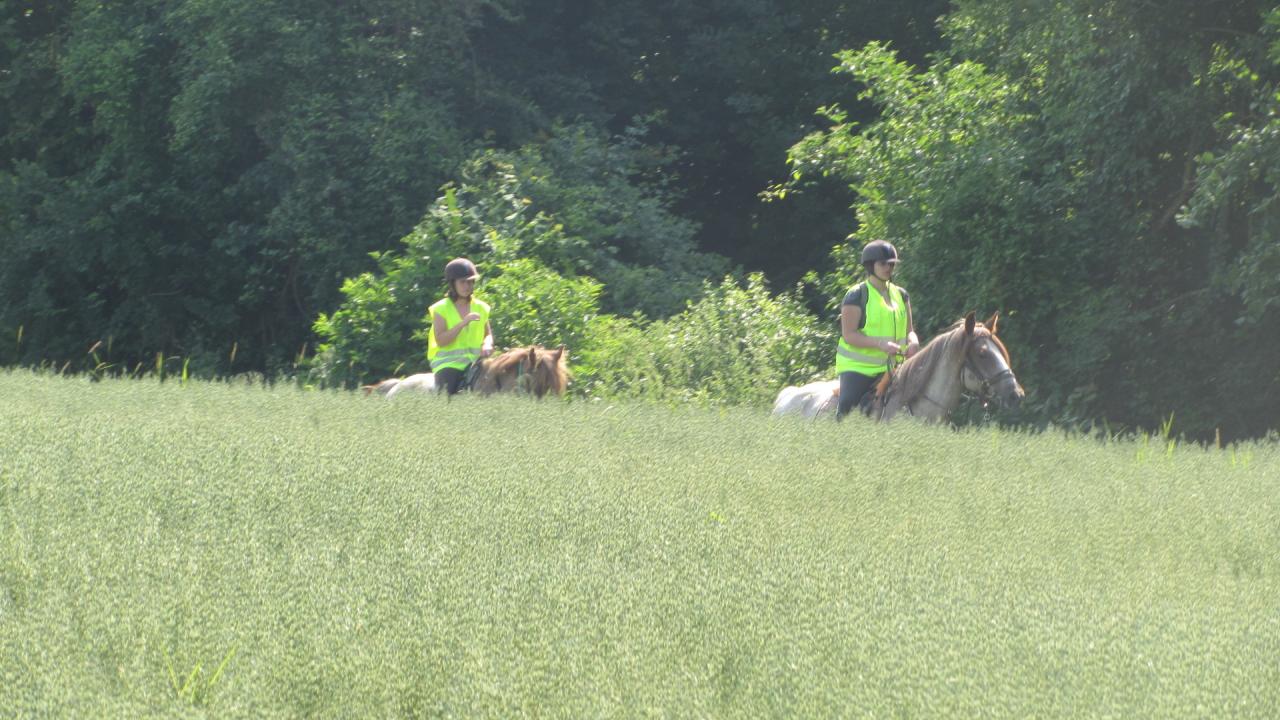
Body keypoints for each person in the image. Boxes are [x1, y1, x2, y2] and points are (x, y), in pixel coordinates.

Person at [835, 240, 920, 419]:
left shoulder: (901, 295)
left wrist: (914, 341)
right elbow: (849, 335)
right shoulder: (857, 295)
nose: (888, 267)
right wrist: (880, 344)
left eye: (891, 264)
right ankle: (837, 439)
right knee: (848, 405)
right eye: (883, 263)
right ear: (870, 266)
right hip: (860, 368)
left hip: (895, 367)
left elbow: (909, 330)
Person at [427, 257, 494, 395]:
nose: (467, 286)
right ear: (453, 284)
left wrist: (487, 345)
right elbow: (441, 340)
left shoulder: (481, 307)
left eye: (470, 282)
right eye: (462, 282)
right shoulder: (441, 309)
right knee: (447, 396)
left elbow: (488, 334)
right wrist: (463, 323)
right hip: (449, 364)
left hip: (477, 363)